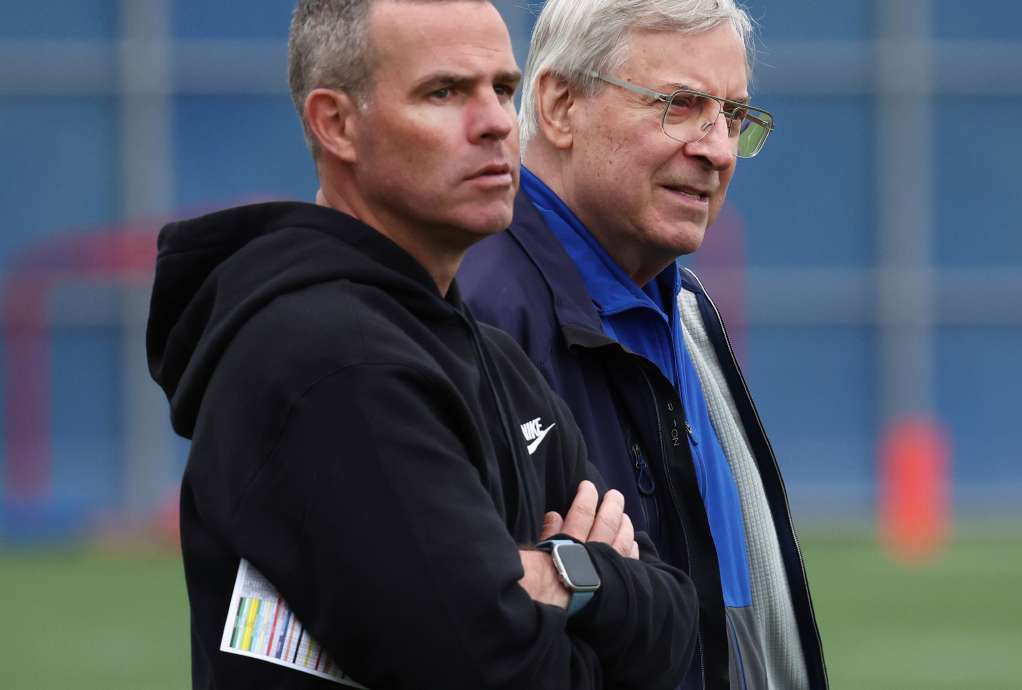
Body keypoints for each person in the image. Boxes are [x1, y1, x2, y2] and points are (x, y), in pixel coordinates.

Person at [145, 1, 698, 688]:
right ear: (335, 123)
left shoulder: (491, 357)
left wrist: (564, 575)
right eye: (444, 92)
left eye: (502, 88)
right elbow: (503, 675)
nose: (497, 121)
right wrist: (598, 583)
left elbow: (677, 631)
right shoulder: (326, 362)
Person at [457, 1, 828, 688]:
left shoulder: (685, 310)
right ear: (561, 104)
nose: (717, 148)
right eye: (680, 105)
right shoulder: (477, 316)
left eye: (733, 116)